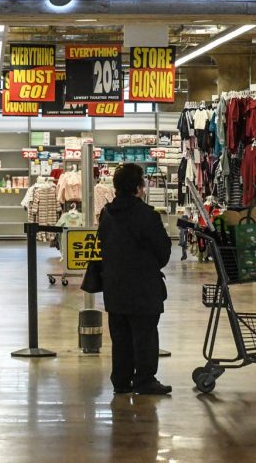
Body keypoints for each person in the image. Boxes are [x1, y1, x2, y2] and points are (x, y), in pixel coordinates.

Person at [98, 163, 172, 395]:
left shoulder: (107, 214)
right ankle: (145, 380)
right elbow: (163, 251)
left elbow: (103, 244)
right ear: (139, 187)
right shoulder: (148, 215)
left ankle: (121, 381)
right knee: (145, 335)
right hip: (143, 286)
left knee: (120, 336)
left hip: (114, 284)